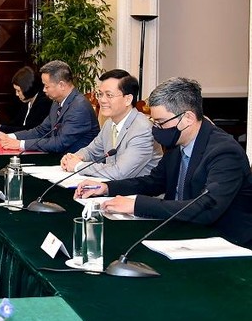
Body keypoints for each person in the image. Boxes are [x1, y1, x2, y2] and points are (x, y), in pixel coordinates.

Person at [76, 77, 252, 247]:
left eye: (161, 122)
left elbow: (206, 208)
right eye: (154, 122)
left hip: (225, 242)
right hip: (180, 232)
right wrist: (107, 188)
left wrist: (137, 205)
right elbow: (154, 181)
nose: (157, 129)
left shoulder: (225, 152)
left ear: (188, 118)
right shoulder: (178, 142)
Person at [60, 70, 160, 179]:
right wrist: (73, 157)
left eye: (109, 95)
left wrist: (78, 166)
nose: (102, 100)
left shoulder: (143, 129)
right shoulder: (109, 123)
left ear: (128, 99)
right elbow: (92, 152)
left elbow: (119, 172)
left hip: (138, 188)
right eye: (100, 94)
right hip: (113, 185)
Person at [0, 60, 99, 153]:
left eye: (46, 86)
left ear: (61, 85)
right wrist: (9, 137)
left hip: (76, 163)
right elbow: (41, 130)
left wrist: (20, 144)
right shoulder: (56, 102)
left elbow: (60, 143)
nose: (44, 90)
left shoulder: (79, 107)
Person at [0, 66, 52, 133]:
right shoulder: (27, 101)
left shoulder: (43, 104)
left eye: (18, 91)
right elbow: (16, 123)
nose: (16, 94)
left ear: (28, 89)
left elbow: (30, 130)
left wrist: (1, 128)